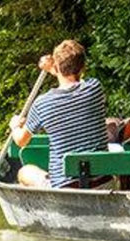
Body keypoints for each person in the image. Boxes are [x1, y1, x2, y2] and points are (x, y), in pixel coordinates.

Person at [9, 40, 111, 188]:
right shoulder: (94, 88)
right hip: (102, 182)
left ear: (57, 67)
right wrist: (54, 67)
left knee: (25, 172)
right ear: (83, 67)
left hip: (65, 186)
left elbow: (21, 141)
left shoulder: (42, 104)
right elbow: (75, 78)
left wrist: (14, 126)